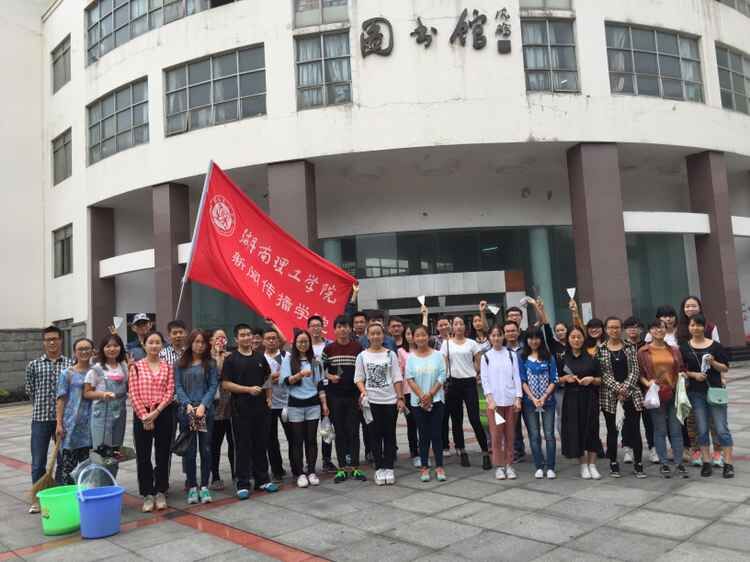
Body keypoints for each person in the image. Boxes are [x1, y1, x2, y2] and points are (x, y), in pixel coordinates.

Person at [222, 323, 277, 499]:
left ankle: (263, 479)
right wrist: (248, 390)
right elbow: (225, 384)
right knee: (243, 446)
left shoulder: (260, 357)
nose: (246, 337)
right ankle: (243, 483)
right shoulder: (231, 359)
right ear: (236, 339)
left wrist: (269, 398)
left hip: (261, 409)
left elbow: (267, 378)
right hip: (240, 409)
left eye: (248, 334)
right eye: (243, 335)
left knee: (261, 444)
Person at [680, 314, 734, 478]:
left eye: (699, 325)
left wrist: (713, 363)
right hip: (695, 393)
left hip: (715, 391)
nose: (695, 328)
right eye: (692, 325)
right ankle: (706, 462)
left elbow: (725, 368)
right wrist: (694, 375)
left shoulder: (715, 346)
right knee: (701, 429)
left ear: (704, 327)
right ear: (689, 327)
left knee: (721, 429)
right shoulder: (684, 347)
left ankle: (728, 463)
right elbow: (682, 370)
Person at [25, 325, 73, 513]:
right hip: (41, 419)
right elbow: (30, 390)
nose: (52, 342)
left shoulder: (70, 364)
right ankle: (38, 499)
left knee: (63, 460)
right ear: (44, 342)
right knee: (38, 461)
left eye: (55, 338)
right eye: (48, 339)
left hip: (64, 420)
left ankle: (58, 495)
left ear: (61, 340)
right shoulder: (34, 365)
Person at [129, 331, 176, 512]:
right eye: (151, 342)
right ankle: (147, 493)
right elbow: (133, 393)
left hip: (162, 413)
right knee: (143, 456)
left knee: (163, 454)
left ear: (162, 346)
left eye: (158, 342)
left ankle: (160, 491)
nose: (154, 345)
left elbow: (170, 391)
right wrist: (144, 416)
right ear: (144, 345)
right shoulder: (136, 367)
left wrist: (156, 412)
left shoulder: (167, 367)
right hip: (142, 415)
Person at [355, 322, 405, 486]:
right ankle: (378, 467)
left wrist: (400, 398)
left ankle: (389, 467)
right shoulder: (362, 356)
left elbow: (397, 377)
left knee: (389, 434)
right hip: (371, 402)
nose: (376, 336)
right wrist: (364, 392)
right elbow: (359, 378)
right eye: (373, 334)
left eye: (379, 333)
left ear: (383, 336)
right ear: (368, 336)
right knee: (374, 435)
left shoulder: (390, 354)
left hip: (390, 400)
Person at [638, 320, 688, 479]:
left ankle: (679, 463)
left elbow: (681, 368)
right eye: (654, 328)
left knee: (676, 430)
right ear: (650, 331)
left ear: (666, 330)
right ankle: (664, 463)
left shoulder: (674, 350)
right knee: (660, 430)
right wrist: (648, 384)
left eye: (661, 327)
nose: (658, 330)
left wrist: (683, 376)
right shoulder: (643, 351)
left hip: (673, 393)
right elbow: (640, 374)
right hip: (656, 394)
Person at [677, 296, 723, 468]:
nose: (690, 309)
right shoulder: (679, 329)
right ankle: (696, 450)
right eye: (687, 306)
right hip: (689, 381)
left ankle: (718, 452)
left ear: (700, 307)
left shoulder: (710, 327)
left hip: (711, 380)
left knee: (714, 419)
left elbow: (719, 354)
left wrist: (721, 377)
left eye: (693, 305)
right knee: (692, 420)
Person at [598, 317, 646, 479]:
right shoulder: (601, 349)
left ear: (621, 329)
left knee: (634, 430)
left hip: (631, 394)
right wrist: (617, 388)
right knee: (612, 431)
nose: (614, 330)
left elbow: (635, 370)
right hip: (609, 396)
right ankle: (613, 463)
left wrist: (625, 388)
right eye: (611, 327)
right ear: (606, 330)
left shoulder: (630, 347)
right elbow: (603, 373)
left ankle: (638, 464)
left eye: (617, 327)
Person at [175, 330, 219, 504]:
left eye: (202, 342)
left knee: (206, 449)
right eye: (196, 342)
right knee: (190, 451)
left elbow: (213, 386)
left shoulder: (211, 363)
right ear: (190, 343)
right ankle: (192, 486)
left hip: (204, 412)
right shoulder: (180, 363)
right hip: (187, 412)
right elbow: (178, 386)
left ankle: (204, 486)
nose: (199, 345)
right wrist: (187, 404)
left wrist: (203, 405)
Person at [441, 316, 491, 470]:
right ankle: (462, 451)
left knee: (475, 418)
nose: (458, 326)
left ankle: (485, 452)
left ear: (465, 326)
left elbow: (479, 362)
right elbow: (444, 364)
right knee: (457, 420)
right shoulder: (446, 343)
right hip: (453, 383)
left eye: (461, 323)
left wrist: (476, 373)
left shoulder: (472, 343)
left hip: (469, 383)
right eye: (456, 324)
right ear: (452, 327)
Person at [281, 330, 329, 488]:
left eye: (306, 342)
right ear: (295, 344)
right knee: (297, 440)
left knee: (311, 439)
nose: (303, 344)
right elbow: (286, 381)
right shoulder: (289, 360)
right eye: (300, 342)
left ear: (309, 343)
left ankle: (312, 471)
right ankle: (300, 473)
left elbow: (320, 384)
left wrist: (324, 405)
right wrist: (300, 374)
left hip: (313, 404)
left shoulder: (315, 361)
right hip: (295, 405)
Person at [322, 315, 367, 483]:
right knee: (339, 432)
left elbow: (363, 371)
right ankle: (341, 468)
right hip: (335, 397)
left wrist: (362, 394)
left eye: (345, 326)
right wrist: (330, 376)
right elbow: (321, 370)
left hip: (353, 396)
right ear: (334, 330)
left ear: (350, 329)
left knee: (354, 431)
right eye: (339, 327)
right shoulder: (329, 349)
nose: (342, 329)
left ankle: (355, 467)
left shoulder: (358, 347)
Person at [84, 333, 129, 478]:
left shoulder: (124, 367)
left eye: (116, 346)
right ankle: (98, 485)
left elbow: (129, 387)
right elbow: (87, 393)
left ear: (120, 348)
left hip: (120, 414)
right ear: (102, 349)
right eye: (108, 346)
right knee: (101, 453)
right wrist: (102, 395)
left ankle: (111, 483)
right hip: (101, 415)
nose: (112, 349)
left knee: (115, 452)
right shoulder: (96, 369)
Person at [559, 326, 602, 479]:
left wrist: (592, 379)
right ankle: (583, 464)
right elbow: (555, 379)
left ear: (584, 339)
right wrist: (565, 378)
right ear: (568, 339)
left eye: (579, 337)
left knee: (592, 430)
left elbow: (600, 379)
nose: (576, 340)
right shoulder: (563, 358)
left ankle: (593, 464)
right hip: (571, 399)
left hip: (589, 398)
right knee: (576, 431)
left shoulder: (592, 357)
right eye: (573, 337)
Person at [480, 324, 522, 481]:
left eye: (499, 335)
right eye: (493, 335)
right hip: (495, 404)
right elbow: (484, 379)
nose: (496, 338)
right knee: (496, 436)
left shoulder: (511, 355)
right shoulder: (486, 357)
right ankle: (499, 466)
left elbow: (516, 377)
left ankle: (509, 464)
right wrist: (490, 399)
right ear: (489, 338)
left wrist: (518, 398)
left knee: (510, 435)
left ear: (503, 336)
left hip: (510, 401)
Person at [406, 324, 447, 482]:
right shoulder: (411, 358)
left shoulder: (438, 355)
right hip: (418, 403)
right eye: (417, 335)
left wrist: (430, 394)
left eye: (423, 335)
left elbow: (442, 376)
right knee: (423, 435)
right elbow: (410, 379)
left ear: (428, 336)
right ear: (413, 338)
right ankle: (424, 466)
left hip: (436, 400)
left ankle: (439, 466)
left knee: (436, 434)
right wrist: (422, 396)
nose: (421, 338)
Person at [519, 327, 558, 479]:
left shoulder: (549, 357)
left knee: (549, 434)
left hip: (548, 402)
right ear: (526, 340)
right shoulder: (522, 358)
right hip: (530, 403)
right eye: (530, 338)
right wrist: (533, 398)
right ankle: (539, 466)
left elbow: (554, 379)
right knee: (534, 435)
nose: (534, 341)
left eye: (537, 338)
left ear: (541, 339)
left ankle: (551, 467)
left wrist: (544, 397)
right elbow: (522, 380)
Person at [56, 338, 95, 484]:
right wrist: (59, 423)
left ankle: (87, 496)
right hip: (71, 426)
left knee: (89, 470)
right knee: (68, 470)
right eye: (80, 349)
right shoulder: (67, 373)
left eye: (87, 348)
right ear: (74, 352)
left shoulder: (97, 372)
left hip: (91, 426)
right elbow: (61, 399)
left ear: (92, 351)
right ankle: (70, 496)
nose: (84, 352)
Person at [623, 316, 655, 465]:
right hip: (627, 389)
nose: (632, 330)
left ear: (641, 330)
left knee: (649, 420)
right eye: (629, 327)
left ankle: (653, 448)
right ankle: (627, 449)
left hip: (646, 388)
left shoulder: (648, 346)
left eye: (635, 327)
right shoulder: (622, 346)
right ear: (625, 330)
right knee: (628, 421)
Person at [263, 327, 291, 483]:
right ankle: (277, 470)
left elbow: (291, 373)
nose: (271, 341)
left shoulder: (285, 356)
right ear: (263, 341)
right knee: (271, 439)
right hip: (269, 403)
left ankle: (297, 466)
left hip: (288, 402)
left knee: (293, 436)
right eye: (268, 338)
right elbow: (260, 380)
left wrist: (277, 376)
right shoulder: (261, 358)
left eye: (274, 338)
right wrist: (270, 378)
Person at [308, 315, 335, 474]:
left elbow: (336, 367)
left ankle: (327, 459)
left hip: (328, 390)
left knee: (326, 425)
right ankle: (310, 461)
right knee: (310, 429)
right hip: (310, 392)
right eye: (312, 325)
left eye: (318, 325)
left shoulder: (329, 345)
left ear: (322, 327)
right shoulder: (304, 346)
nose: (315, 328)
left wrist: (332, 376)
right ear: (308, 328)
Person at [209, 329, 234, 490]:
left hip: (231, 407)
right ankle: (215, 476)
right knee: (214, 444)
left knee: (234, 443)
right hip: (215, 409)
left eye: (223, 337)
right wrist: (218, 356)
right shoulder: (207, 358)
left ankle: (236, 474)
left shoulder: (231, 356)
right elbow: (216, 376)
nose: (221, 340)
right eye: (217, 338)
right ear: (211, 341)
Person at [504, 319, 528, 463]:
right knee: (514, 424)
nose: (510, 333)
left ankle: (536, 449)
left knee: (531, 423)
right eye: (507, 331)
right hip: (511, 392)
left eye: (513, 330)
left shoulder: (526, 348)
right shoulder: (502, 351)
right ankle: (518, 450)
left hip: (528, 391)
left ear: (518, 332)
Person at [397, 325, 420, 467]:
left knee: (423, 423)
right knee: (412, 423)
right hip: (408, 391)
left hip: (423, 392)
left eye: (413, 333)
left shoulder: (423, 350)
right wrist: (400, 395)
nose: (410, 336)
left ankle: (423, 450)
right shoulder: (401, 351)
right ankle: (414, 452)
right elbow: (399, 373)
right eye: (408, 334)